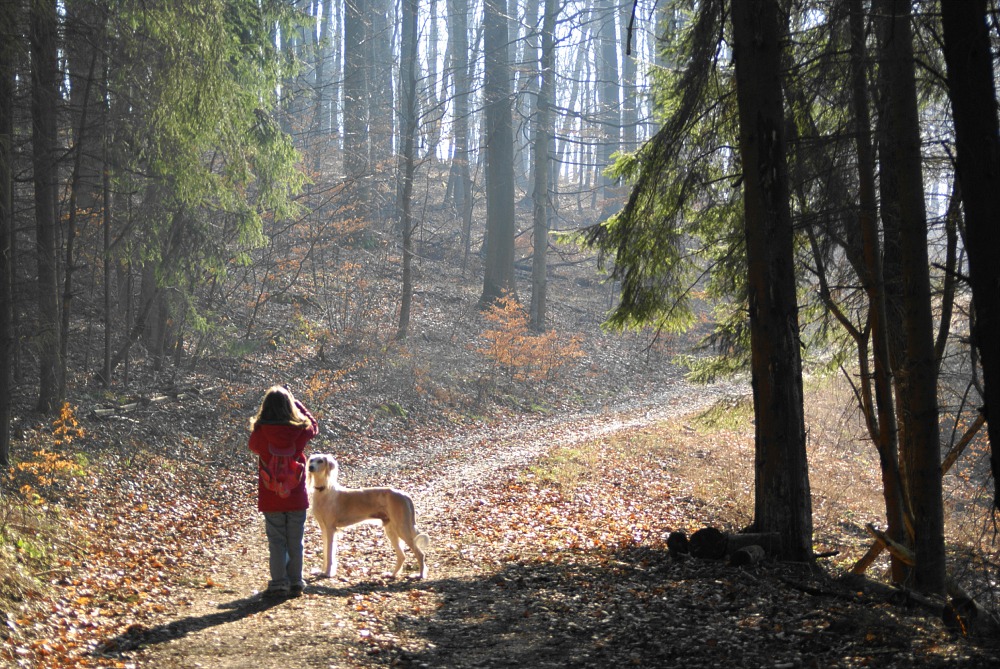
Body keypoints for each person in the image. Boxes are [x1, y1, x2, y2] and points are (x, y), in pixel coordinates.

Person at [248, 385, 318, 597]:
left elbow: (253, 447)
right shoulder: (300, 430)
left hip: (271, 497)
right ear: (290, 407)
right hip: (296, 496)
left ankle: (279, 582)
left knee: (277, 540)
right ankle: (296, 581)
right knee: (295, 540)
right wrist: (296, 402)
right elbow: (314, 426)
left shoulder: (260, 433)